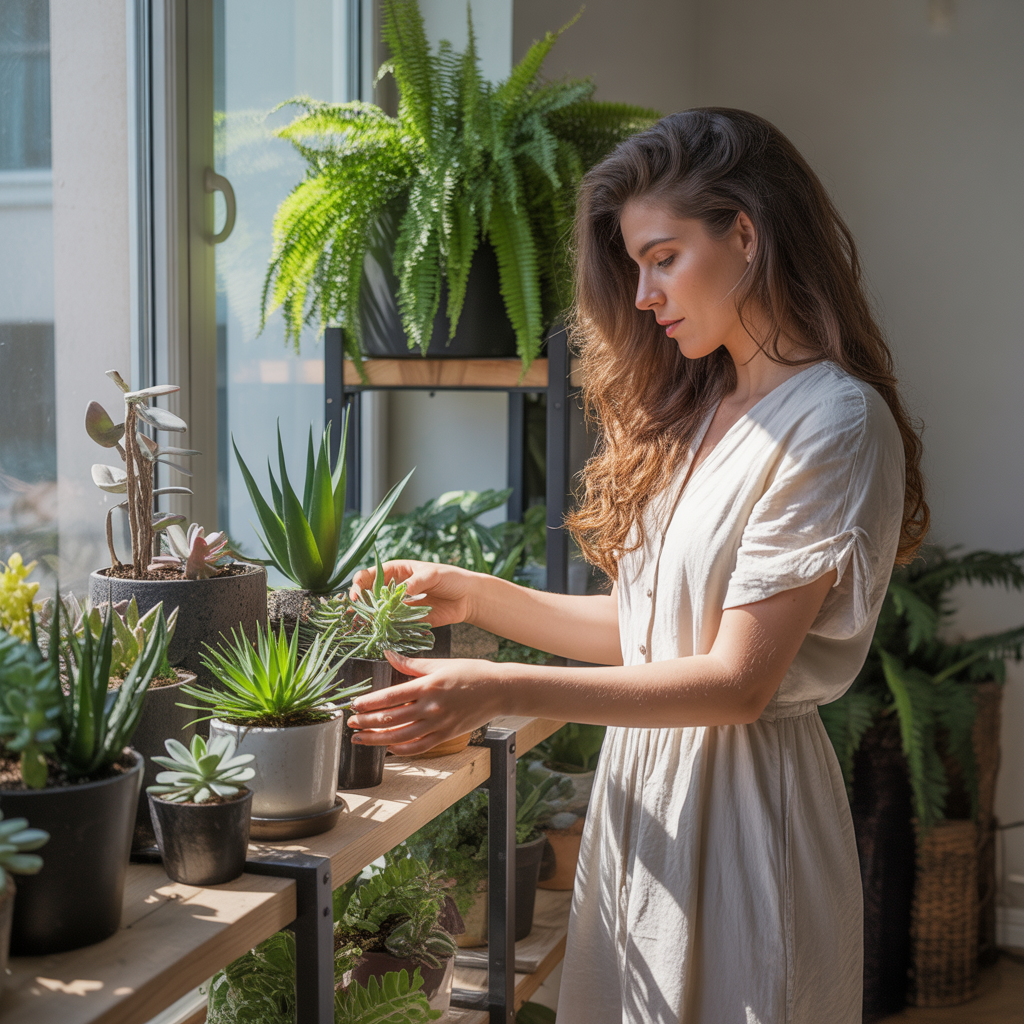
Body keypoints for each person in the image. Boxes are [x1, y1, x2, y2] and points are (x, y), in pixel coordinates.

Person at [345, 108, 928, 1024]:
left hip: (745, 820)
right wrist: (473, 595)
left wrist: (499, 688)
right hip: (642, 804)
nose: (645, 293)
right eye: (634, 266)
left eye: (663, 256)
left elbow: (736, 682)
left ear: (746, 233)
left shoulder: (834, 423)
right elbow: (650, 635)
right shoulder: (705, 409)